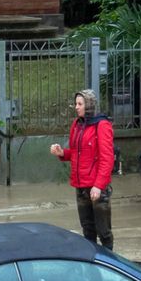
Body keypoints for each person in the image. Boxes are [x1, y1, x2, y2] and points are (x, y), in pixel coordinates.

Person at [50, 89, 115, 249]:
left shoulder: (102, 125)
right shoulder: (77, 124)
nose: (76, 107)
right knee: (88, 231)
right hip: (81, 186)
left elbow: (107, 158)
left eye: (80, 104)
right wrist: (62, 153)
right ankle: (91, 264)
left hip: (96, 188)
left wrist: (98, 186)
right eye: (76, 104)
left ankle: (109, 265)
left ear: (89, 105)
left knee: (104, 232)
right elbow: (76, 153)